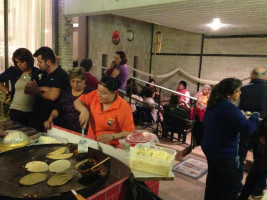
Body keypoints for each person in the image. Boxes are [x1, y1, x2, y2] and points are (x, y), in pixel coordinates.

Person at [201, 78, 260, 200]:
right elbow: (247, 129)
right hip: (222, 153)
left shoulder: (214, 103)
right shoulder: (228, 107)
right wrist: (255, 117)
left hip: (210, 148)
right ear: (229, 93)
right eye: (238, 90)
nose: (240, 93)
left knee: (214, 179)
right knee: (231, 185)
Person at [74, 76, 135, 148]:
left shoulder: (123, 107)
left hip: (111, 146)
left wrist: (112, 136)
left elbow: (129, 132)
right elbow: (77, 101)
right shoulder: (94, 95)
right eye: (98, 91)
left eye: (103, 93)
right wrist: (84, 110)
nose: (98, 95)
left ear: (114, 93)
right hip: (91, 141)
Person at [238, 67, 267, 198]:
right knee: (260, 162)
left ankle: (236, 185)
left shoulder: (244, 89)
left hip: (246, 129)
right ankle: (257, 191)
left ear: (252, 76)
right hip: (263, 134)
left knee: (239, 158)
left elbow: (238, 110)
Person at [24, 46, 69, 132]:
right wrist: (45, 89)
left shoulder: (61, 75)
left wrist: (36, 89)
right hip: (36, 117)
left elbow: (53, 96)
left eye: (40, 62)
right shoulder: (40, 73)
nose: (37, 64)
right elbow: (27, 89)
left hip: (51, 120)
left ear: (48, 62)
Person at [0, 48, 41, 126]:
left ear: (28, 60)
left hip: (31, 112)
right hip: (15, 110)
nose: (19, 64)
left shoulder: (37, 72)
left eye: (22, 62)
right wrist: (7, 92)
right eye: (17, 62)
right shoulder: (13, 71)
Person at [44, 67, 92, 133]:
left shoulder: (90, 93)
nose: (75, 84)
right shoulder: (66, 92)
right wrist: (50, 119)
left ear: (84, 80)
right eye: (72, 81)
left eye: (78, 82)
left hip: (82, 132)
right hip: (65, 130)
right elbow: (58, 109)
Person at [238, 114, 267, 200]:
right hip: (262, 149)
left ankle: (255, 192)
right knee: (253, 178)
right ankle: (255, 193)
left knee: (253, 178)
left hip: (262, 150)